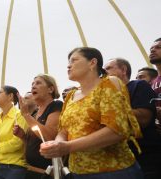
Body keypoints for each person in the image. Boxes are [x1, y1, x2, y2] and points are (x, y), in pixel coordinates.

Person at [40, 47, 143, 178]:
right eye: (68, 62)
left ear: (92, 63)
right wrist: (56, 144)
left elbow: (117, 130)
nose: (68, 65)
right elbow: (64, 130)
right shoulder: (71, 96)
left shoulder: (109, 83)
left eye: (74, 60)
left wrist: (68, 147)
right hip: (78, 172)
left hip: (113, 171)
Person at [105, 58, 161, 179]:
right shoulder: (104, 95)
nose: (104, 72)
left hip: (145, 156)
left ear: (123, 70)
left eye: (108, 68)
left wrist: (108, 112)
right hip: (119, 160)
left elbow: (144, 119)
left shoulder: (138, 85)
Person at [16, 74, 63, 178]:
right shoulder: (35, 113)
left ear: (50, 89)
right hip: (32, 171)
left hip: (48, 173)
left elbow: (50, 137)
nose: (33, 86)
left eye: (38, 83)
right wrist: (23, 136)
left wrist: (26, 115)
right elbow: (34, 142)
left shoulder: (56, 105)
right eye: (32, 84)